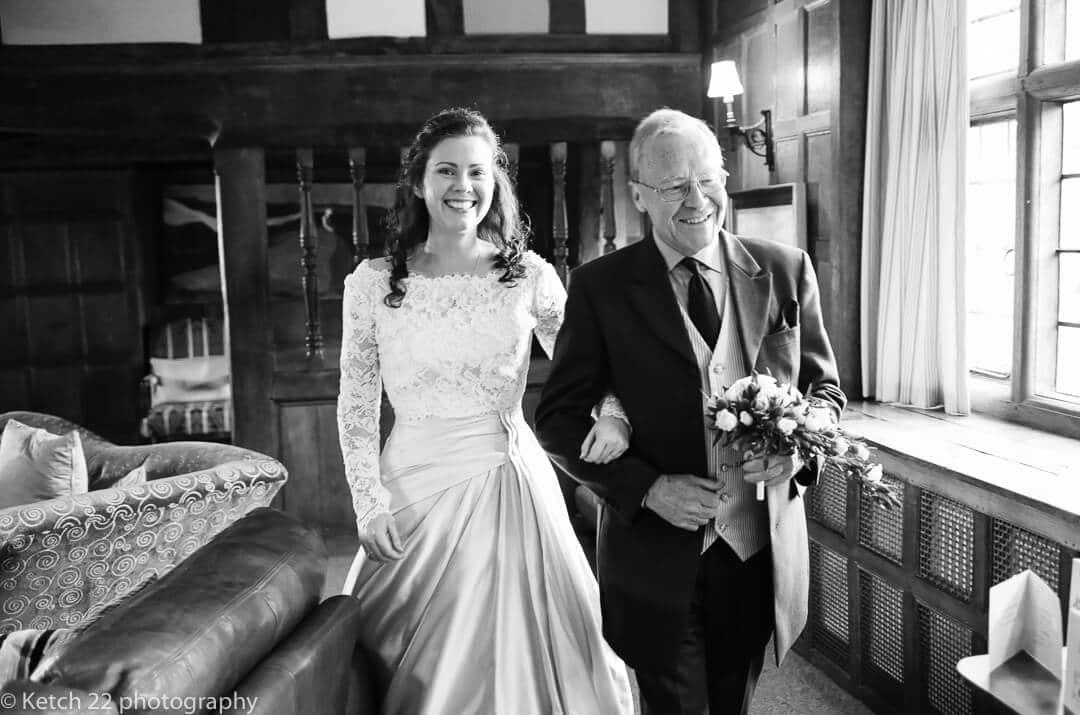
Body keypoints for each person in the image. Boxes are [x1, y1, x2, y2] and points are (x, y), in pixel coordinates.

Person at [534, 108, 847, 715]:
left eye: (708, 179)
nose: (696, 198)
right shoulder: (600, 287)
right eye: (674, 186)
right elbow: (558, 419)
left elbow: (825, 395)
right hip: (656, 556)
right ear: (639, 197)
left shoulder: (785, 269)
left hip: (757, 551)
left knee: (733, 702)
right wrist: (647, 489)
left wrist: (795, 458)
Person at [337, 107, 635, 715]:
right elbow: (357, 403)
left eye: (476, 172)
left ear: (494, 182)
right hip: (411, 487)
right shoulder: (370, 283)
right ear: (419, 182)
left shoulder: (528, 276)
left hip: (508, 479)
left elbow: (590, 366)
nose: (462, 187)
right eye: (446, 171)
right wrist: (367, 500)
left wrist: (613, 413)